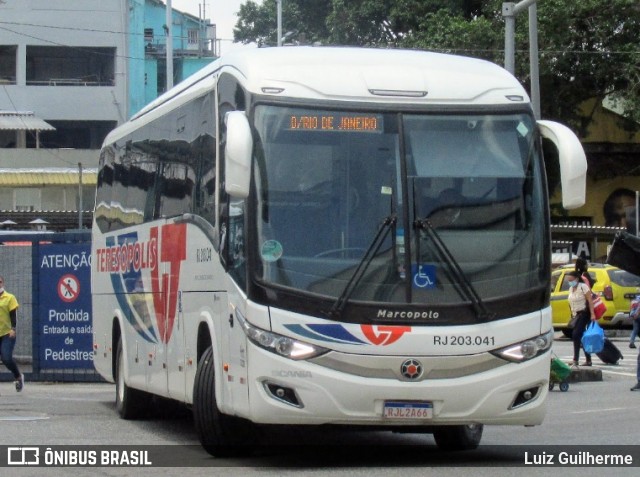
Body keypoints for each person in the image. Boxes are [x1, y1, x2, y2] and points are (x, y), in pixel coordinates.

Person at [566, 269, 597, 367]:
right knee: (581, 337)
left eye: (571, 280)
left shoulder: (583, 287)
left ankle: (576, 359)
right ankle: (588, 360)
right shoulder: (571, 289)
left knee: (576, 334)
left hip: (584, 313)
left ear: (577, 279)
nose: (570, 282)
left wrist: (592, 314)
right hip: (576, 315)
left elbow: (590, 301)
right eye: (569, 280)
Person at [0, 275, 24, 392]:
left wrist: (13, 329)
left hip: (6, 334)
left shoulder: (9, 298)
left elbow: (13, 316)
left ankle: (18, 376)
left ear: (3, 283)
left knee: (6, 358)